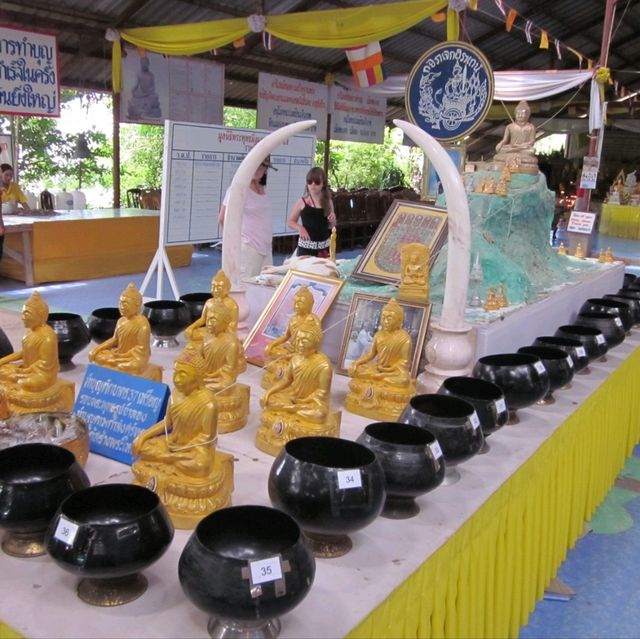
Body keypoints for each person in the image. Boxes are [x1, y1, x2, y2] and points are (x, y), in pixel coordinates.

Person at [218, 155, 275, 278]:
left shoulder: (263, 188)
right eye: (254, 165)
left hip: (266, 247)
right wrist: (231, 245)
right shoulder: (237, 190)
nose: (257, 170)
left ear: (266, 170)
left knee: (266, 287)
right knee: (247, 288)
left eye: (261, 167)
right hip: (248, 247)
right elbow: (223, 218)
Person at [88, 283, 152, 376]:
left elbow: (142, 349)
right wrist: (96, 349)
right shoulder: (121, 321)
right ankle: (115, 362)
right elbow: (114, 339)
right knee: (99, 356)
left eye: (125, 304)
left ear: (136, 305)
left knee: (132, 365)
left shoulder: (143, 324)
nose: (121, 307)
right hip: (119, 354)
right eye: (120, 303)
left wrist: (123, 356)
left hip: (133, 358)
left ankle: (116, 363)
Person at [287, 167, 336, 257]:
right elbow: (290, 222)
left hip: (323, 248)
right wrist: (300, 228)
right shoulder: (302, 202)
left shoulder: (328, 201)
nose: (313, 185)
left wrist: (333, 220)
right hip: (306, 248)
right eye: (310, 181)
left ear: (323, 184)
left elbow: (331, 226)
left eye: (317, 182)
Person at [184, 270, 239, 343]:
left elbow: (232, 325)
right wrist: (191, 327)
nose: (215, 290)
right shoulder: (209, 302)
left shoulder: (232, 304)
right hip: (209, 330)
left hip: (223, 333)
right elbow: (203, 319)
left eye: (219, 288)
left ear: (227, 289)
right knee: (192, 334)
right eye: (213, 287)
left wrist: (220, 333)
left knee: (226, 340)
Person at [494, 101, 538, 174]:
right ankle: (513, 153)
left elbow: (532, 141)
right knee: (502, 149)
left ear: (527, 115)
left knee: (531, 151)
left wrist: (524, 145)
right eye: (518, 113)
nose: (520, 115)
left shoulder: (531, 127)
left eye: (522, 113)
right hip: (512, 147)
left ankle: (515, 154)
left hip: (523, 148)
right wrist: (500, 144)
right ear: (515, 114)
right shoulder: (510, 126)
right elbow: (505, 140)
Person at [0, 163, 31, 260]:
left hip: (12, 220)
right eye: (6, 175)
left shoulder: (15, 187)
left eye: (11, 175)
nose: (9, 178)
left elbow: (25, 205)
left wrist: (25, 212)